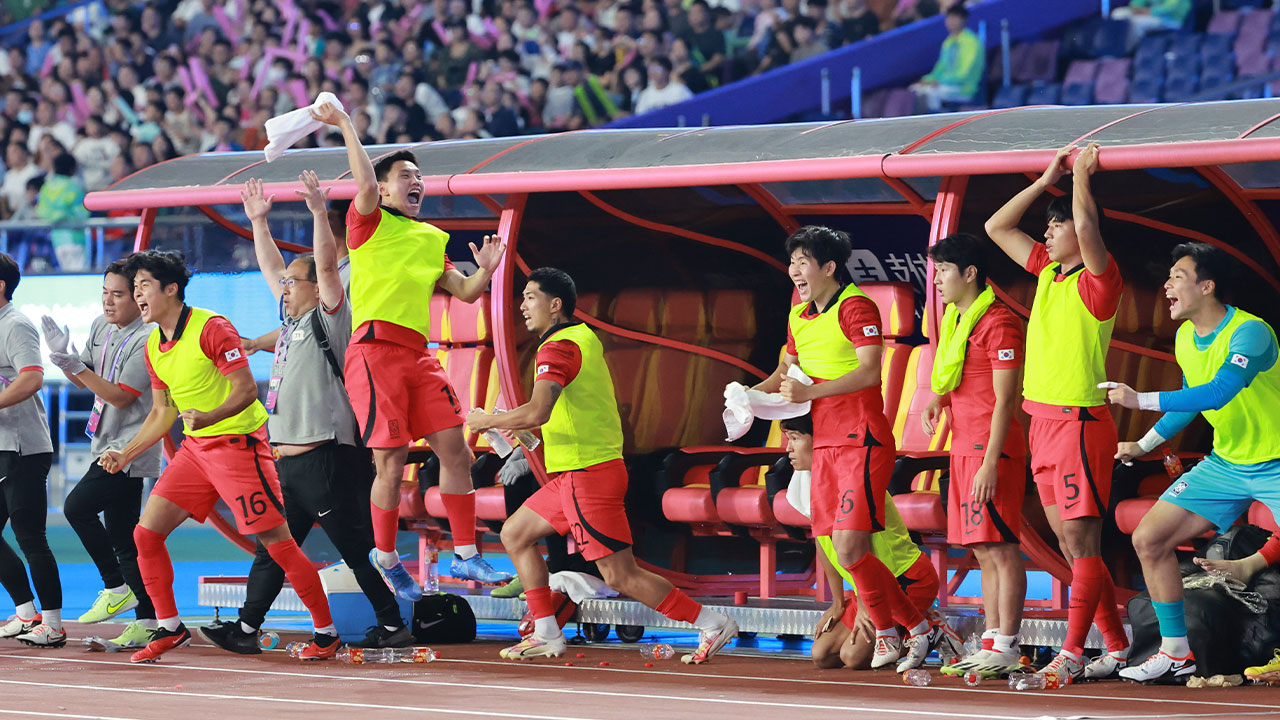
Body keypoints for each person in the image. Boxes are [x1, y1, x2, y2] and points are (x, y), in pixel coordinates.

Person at [468, 268, 739, 662]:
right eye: (522, 297)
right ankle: (546, 632)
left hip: (589, 475)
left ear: (555, 304)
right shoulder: (581, 338)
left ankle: (711, 623)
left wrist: (487, 422)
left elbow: (539, 410)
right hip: (573, 476)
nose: (523, 306)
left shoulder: (558, 347)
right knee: (515, 533)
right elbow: (560, 414)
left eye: (530, 297)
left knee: (619, 575)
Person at [199, 173, 413, 655]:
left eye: (295, 283)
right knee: (273, 548)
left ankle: (392, 623)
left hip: (324, 455)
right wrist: (258, 222)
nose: (284, 289)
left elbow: (325, 270)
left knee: (353, 547)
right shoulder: (292, 321)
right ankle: (247, 629)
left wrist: (319, 213)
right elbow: (273, 266)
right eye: (286, 285)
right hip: (289, 463)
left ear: (319, 287)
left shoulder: (331, 315)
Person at [310, 100, 511, 600]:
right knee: (391, 464)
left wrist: (486, 269)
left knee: (456, 451)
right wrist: (346, 125)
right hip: (374, 352)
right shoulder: (369, 223)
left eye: (419, 176)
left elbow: (464, 293)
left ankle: (467, 555)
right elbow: (361, 181)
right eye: (406, 175)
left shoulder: (430, 238)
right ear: (382, 189)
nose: (416, 182)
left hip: (418, 355)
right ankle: (384, 555)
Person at [100, 249, 338, 663]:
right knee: (146, 534)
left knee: (277, 544)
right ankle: (170, 627)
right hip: (195, 452)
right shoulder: (154, 345)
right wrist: (126, 452)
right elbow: (162, 412)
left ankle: (326, 633)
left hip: (236, 447)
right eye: (133, 288)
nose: (136, 296)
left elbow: (246, 389)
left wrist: (209, 416)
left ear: (170, 289)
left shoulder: (212, 328)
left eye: (143, 287)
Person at [753, 226, 932, 672]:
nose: (794, 270)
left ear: (828, 267)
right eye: (791, 262)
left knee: (852, 548)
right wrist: (744, 396)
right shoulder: (799, 314)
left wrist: (811, 395)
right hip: (825, 444)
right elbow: (784, 373)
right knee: (836, 545)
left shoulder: (856, 307)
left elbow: (871, 372)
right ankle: (909, 630)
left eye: (803, 262)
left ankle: (903, 630)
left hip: (862, 439)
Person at [984, 143, 1130, 680]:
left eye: (1055, 225)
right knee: (1071, 547)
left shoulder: (1099, 279)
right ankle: (1115, 646)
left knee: (1082, 542)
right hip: (1040, 423)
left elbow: (1089, 231)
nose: (1046, 234)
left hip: (1079, 422)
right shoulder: (1049, 270)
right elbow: (998, 226)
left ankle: (1071, 652)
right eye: (1046, 226)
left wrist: (1081, 179)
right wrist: (1046, 181)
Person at [1107, 242, 1280, 683]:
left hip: (1278, 462)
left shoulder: (1250, 332)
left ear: (1207, 286)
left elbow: (1220, 391)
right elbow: (1191, 402)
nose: (1166, 284)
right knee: (1150, 538)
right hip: (1226, 464)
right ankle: (1176, 652)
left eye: (1178, 276)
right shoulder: (1185, 337)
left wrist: (1138, 398)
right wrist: (1143, 444)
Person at [922, 232, 1028, 679]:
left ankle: (1008, 643)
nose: (938, 281)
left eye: (944, 271)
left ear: (969, 273)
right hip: (962, 447)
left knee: (1002, 548)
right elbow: (961, 378)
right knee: (982, 548)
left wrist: (990, 460)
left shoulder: (999, 322)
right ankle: (990, 640)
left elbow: (1005, 400)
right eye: (935, 271)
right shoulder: (954, 319)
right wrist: (939, 399)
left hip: (992, 451)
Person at [42, 257, 159, 650]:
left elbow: (121, 397)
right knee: (126, 537)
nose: (108, 302)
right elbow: (88, 377)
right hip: (105, 444)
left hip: (128, 448)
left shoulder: (147, 337)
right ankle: (148, 619)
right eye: (104, 293)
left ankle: (115, 585)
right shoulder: (100, 325)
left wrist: (75, 365)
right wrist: (65, 360)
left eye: (118, 295)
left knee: (77, 507)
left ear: (137, 296)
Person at [781, 415, 960, 670]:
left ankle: (931, 627)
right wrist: (837, 602)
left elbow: (861, 550)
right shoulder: (809, 483)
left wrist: (867, 606)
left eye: (795, 439)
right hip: (865, 587)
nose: (788, 448)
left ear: (820, 442)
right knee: (822, 654)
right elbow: (822, 543)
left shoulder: (851, 481)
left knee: (853, 657)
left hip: (903, 579)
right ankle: (916, 624)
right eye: (788, 439)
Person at [0, 252, 62, 647]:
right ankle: (26, 613)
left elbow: (32, 378)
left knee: (30, 536)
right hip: (4, 445)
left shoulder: (16, 325)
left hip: (22, 448)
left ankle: (53, 624)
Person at [910, 5, 983, 112]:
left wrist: (938, 82)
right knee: (915, 89)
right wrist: (927, 80)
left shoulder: (971, 42)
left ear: (963, 19)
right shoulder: (948, 42)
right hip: (945, 85)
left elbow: (963, 74)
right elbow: (940, 68)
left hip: (964, 88)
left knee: (930, 93)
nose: (950, 21)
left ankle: (936, 121)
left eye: (954, 17)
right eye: (948, 18)